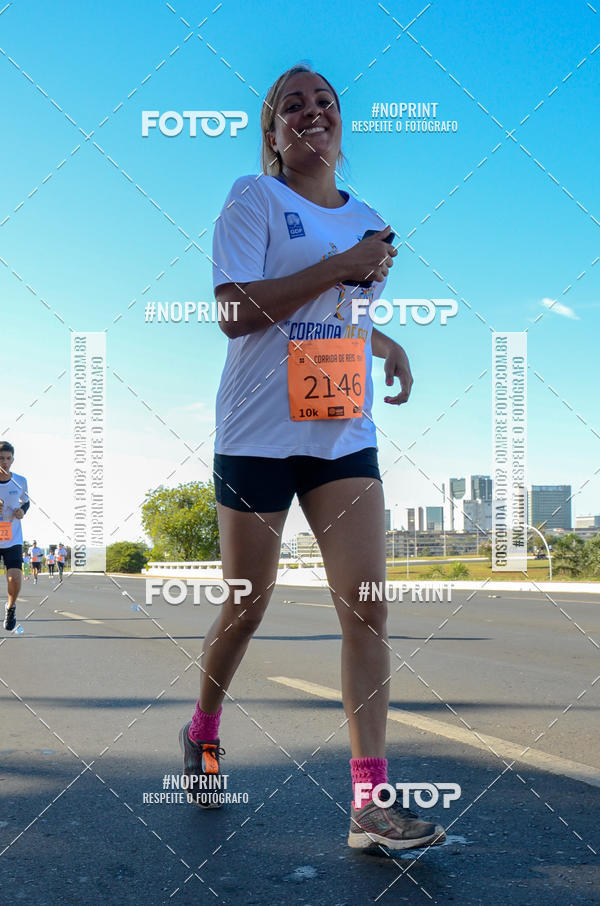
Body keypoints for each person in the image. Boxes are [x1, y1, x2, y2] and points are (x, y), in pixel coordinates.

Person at [179, 64, 446, 849]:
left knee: (367, 605)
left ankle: (370, 803)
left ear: (340, 124)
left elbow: (337, 313)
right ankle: (202, 728)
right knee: (246, 604)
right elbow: (234, 312)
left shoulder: (367, 217)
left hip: (340, 436)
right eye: (291, 105)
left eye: (324, 102)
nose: (311, 112)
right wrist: (343, 263)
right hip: (256, 435)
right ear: (273, 132)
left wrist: (384, 340)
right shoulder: (251, 198)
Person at [0, 442, 30, 631]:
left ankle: (10, 607)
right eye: (1, 458)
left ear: (13, 459)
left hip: (12, 537)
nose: (4, 462)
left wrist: (22, 511)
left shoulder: (20, 481)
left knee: (14, 579)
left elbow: (26, 502)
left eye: (8, 458)